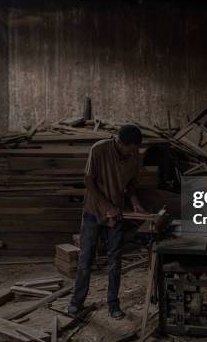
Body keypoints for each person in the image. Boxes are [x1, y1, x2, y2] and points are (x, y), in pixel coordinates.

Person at [68, 125, 146, 320]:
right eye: (131, 148)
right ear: (120, 142)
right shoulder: (99, 149)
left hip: (116, 215)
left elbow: (130, 185)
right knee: (85, 260)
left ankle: (113, 305)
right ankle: (76, 303)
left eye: (136, 149)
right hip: (93, 212)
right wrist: (106, 206)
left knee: (115, 262)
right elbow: (88, 181)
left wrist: (135, 203)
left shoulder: (135, 156)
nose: (134, 152)